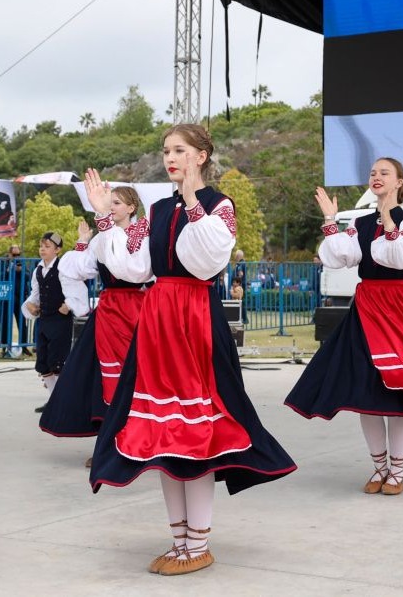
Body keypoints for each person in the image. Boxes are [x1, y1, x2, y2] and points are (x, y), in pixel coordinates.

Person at [90, 124, 296, 576]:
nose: (170, 157)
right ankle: (179, 541)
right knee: (163, 432)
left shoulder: (219, 205)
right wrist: (105, 217)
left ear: (201, 156)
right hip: (158, 320)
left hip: (195, 320)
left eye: (179, 150)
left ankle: (198, 544)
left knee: (195, 432)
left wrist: (192, 203)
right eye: (166, 150)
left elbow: (208, 261)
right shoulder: (158, 209)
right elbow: (132, 268)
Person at [285, 157, 403, 497]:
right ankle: (379, 468)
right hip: (366, 308)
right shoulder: (361, 222)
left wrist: (388, 220)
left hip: (398, 308)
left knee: (398, 393)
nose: (376, 176)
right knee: (365, 392)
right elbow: (342, 257)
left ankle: (397, 471)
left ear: (399, 182)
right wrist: (329, 220)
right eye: (373, 173)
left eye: (384, 173)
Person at [41, 175, 149, 468]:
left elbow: (136, 269)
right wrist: (82, 244)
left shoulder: (142, 234)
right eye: (108, 202)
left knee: (137, 375)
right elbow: (76, 269)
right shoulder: (103, 237)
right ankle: (109, 443)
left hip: (136, 309)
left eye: (116, 203)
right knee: (100, 376)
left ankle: (136, 443)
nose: (110, 207)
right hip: (109, 310)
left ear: (131, 207)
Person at [23, 232, 89, 413]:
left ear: (58, 250)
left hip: (60, 321)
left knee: (57, 362)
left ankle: (63, 401)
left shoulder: (64, 268)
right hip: (44, 321)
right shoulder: (38, 270)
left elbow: (78, 289)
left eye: (47, 246)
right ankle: (53, 400)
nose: (42, 249)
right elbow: (35, 294)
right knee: (43, 362)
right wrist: (30, 305)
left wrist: (68, 305)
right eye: (41, 246)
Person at [0, 244, 31, 357]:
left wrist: (21, 271)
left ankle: (24, 346)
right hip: (6, 297)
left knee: (22, 323)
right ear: (9, 254)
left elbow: (29, 276)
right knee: (5, 322)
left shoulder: (22, 263)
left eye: (18, 254)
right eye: (14, 254)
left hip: (20, 297)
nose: (17, 257)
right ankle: (4, 347)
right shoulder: (2, 262)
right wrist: (8, 270)